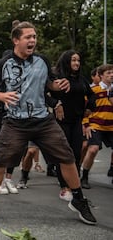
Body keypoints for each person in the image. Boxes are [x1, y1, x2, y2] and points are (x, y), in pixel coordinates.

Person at [0, 21, 97, 225]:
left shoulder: (42, 61)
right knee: (0, 161)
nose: (33, 40)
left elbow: (50, 84)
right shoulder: (2, 64)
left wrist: (59, 85)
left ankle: (78, 200)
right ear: (16, 40)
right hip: (14, 122)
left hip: (43, 120)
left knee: (67, 157)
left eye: (34, 37)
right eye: (28, 37)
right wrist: (2, 96)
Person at [50, 50, 95, 200]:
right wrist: (56, 104)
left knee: (76, 153)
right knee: (63, 153)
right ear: (66, 62)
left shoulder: (81, 79)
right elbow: (45, 94)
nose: (76, 63)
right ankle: (64, 186)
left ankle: (74, 184)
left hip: (77, 121)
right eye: (73, 60)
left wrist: (89, 107)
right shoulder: (57, 78)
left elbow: (91, 94)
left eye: (78, 60)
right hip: (61, 121)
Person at [80, 64, 113, 189]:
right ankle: (85, 176)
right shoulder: (94, 90)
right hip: (96, 124)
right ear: (100, 76)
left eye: (112, 72)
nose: (111, 75)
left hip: (111, 126)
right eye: (108, 73)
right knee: (93, 149)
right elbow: (84, 108)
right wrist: (86, 124)